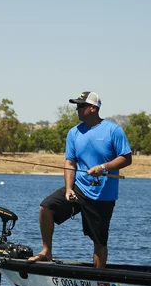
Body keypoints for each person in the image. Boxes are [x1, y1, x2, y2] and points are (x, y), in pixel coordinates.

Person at [28, 91, 132, 268]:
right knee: (46, 207)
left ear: (93, 108)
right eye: (77, 106)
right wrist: (69, 188)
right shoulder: (74, 133)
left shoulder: (113, 130)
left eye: (81, 105)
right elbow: (70, 162)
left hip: (103, 195)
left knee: (99, 241)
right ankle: (46, 252)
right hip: (79, 188)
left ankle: (99, 277)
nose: (77, 109)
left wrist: (103, 167)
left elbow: (126, 158)